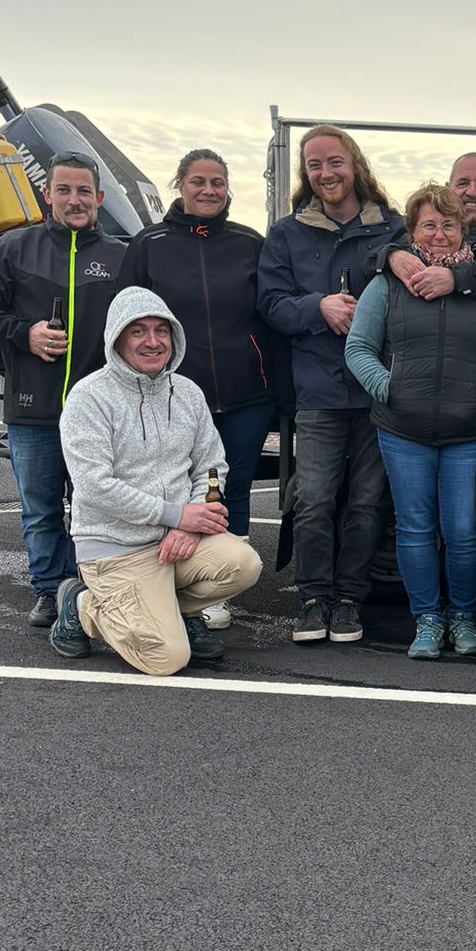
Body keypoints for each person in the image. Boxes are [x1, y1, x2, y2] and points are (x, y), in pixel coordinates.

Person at [344, 184, 476, 658]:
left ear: (463, 229)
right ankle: (426, 618)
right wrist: (390, 389)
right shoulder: (386, 285)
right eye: (429, 225)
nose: (439, 234)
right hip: (402, 429)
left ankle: (462, 617)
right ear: (412, 231)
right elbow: (358, 348)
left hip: (469, 431)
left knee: (464, 530)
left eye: (448, 224)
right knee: (415, 527)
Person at [50, 288, 263, 674]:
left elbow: (212, 466)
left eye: (161, 331)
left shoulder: (188, 393)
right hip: (116, 548)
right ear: (116, 338)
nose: (153, 341)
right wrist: (175, 515)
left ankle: (171, 613)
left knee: (243, 563)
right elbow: (95, 485)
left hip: (177, 541)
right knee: (166, 658)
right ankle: (82, 604)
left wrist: (191, 522)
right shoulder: (89, 398)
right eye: (139, 331)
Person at [120, 149, 281, 632]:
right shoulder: (150, 244)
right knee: (172, 486)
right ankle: (168, 579)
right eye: (198, 181)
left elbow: (272, 315)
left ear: (228, 189)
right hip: (171, 395)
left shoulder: (250, 243)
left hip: (246, 394)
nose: (209, 190)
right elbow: (125, 316)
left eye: (217, 182)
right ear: (181, 185)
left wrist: (278, 383)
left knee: (232, 487)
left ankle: (221, 590)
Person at [0, 151, 125, 626]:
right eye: (64, 190)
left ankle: (97, 592)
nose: (75, 200)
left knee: (100, 511)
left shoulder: (122, 257)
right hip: (33, 410)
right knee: (40, 511)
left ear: (99, 197)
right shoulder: (12, 249)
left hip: (101, 416)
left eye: (83, 191)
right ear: (47, 194)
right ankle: (50, 592)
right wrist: (24, 334)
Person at [257, 125, 406, 643]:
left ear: (355, 164)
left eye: (335, 162)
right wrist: (316, 308)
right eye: (315, 165)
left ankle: (348, 601)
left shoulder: (393, 228)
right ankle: (313, 598)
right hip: (318, 389)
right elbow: (270, 303)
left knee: (367, 501)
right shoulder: (286, 233)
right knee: (315, 499)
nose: (326, 173)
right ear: (306, 173)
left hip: (377, 390)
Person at [375, 149, 476, 313]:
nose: (472, 192)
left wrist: (455, 278)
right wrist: (391, 256)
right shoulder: (416, 236)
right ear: (448, 188)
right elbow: (370, 259)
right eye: (463, 183)